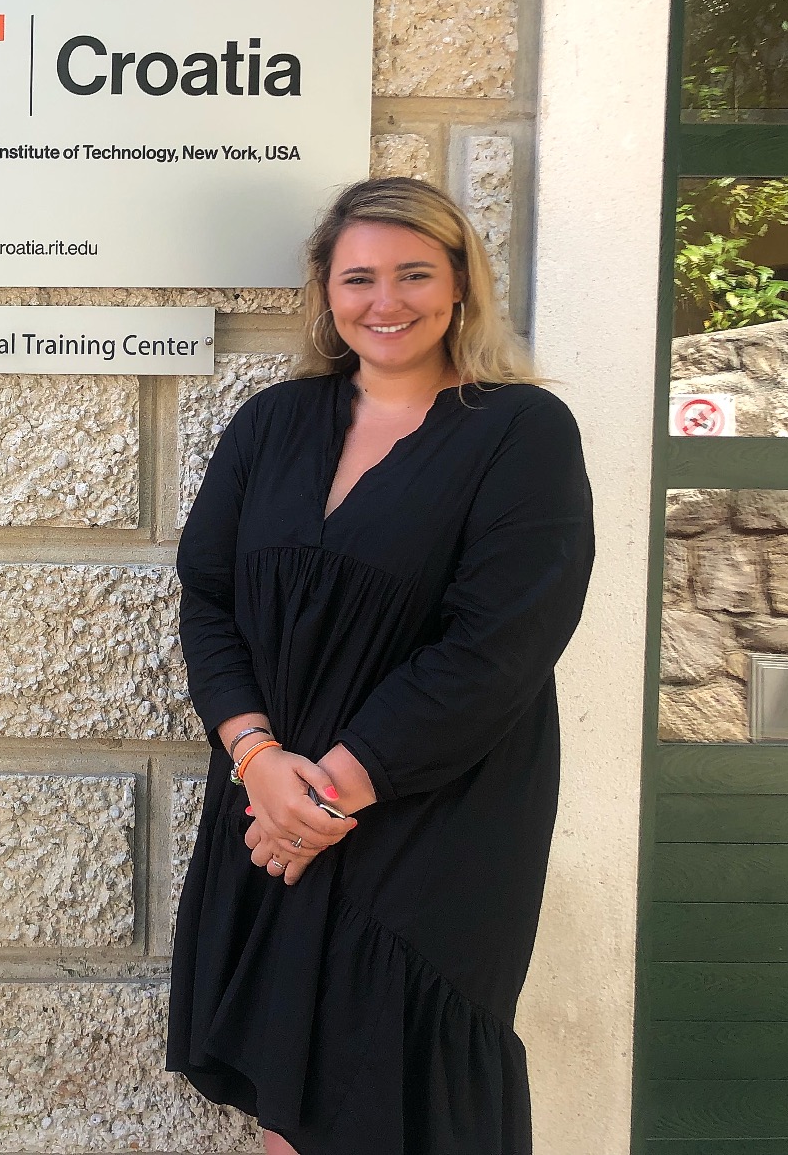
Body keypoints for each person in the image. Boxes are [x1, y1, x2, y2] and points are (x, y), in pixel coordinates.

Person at [167, 178, 595, 1155]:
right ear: (326, 292)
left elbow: (501, 644)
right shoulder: (273, 424)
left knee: (384, 1103)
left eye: (415, 274)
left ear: (461, 285)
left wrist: (325, 797)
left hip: (434, 818)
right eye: (359, 278)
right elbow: (209, 600)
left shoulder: (520, 431)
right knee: (291, 1106)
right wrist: (257, 759)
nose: (385, 301)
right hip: (270, 801)